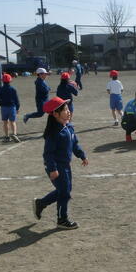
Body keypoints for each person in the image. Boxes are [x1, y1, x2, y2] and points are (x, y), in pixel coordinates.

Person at [32, 97, 88, 229]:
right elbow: (48, 154)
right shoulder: (53, 133)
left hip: (65, 166)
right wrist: (52, 169)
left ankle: (41, 203)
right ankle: (62, 219)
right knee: (65, 192)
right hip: (56, 167)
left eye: (68, 109)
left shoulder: (69, 127)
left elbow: (75, 144)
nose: (68, 112)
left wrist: (82, 156)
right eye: (65, 110)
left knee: (64, 190)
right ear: (56, 114)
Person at [0, 73, 21, 142]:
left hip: (4, 108)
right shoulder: (13, 89)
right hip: (12, 107)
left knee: (5, 122)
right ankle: (14, 134)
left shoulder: (0, 89)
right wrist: (17, 108)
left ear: (2, 81)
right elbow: (17, 100)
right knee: (13, 122)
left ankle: (7, 137)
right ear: (10, 80)